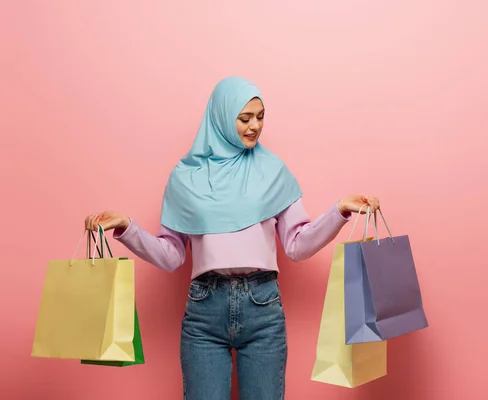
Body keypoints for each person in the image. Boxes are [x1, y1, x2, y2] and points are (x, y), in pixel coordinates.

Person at [84, 76, 380, 400]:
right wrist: (127, 228)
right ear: (222, 118)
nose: (254, 126)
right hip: (204, 312)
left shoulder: (272, 171)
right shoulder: (186, 178)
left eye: (261, 116)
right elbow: (171, 256)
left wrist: (340, 211)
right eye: (245, 118)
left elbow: (297, 245)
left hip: (263, 308)